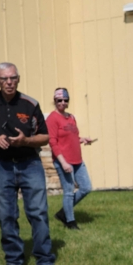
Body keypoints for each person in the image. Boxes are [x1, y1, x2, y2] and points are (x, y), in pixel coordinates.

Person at [0, 62, 57, 265]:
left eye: (12, 78)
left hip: (30, 163)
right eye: (4, 79)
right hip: (2, 165)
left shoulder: (30, 104)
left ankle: (45, 261)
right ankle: (14, 261)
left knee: (38, 212)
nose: (9, 82)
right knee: (6, 215)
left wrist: (26, 140)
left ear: (18, 79)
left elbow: (45, 136)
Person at [46, 88, 94, 230]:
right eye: (59, 100)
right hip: (64, 161)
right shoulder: (52, 119)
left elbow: (71, 137)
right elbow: (53, 142)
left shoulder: (71, 117)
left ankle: (63, 213)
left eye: (65, 100)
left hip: (77, 160)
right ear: (54, 101)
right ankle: (70, 221)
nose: (62, 103)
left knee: (86, 188)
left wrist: (82, 139)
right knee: (68, 191)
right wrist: (63, 162)